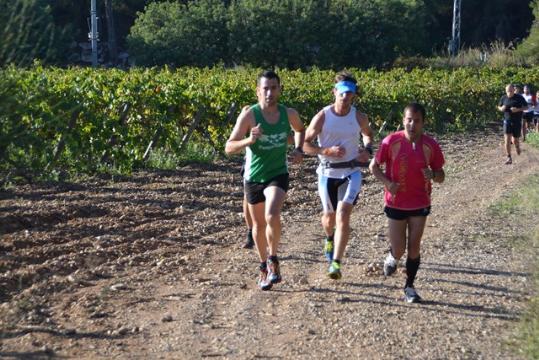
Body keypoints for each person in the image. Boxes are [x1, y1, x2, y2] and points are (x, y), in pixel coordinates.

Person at [225, 70, 305, 290]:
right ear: (258, 91)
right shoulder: (250, 115)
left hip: (278, 173)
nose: (270, 92)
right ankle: (263, 266)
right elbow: (229, 147)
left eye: (274, 88)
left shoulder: (288, 113)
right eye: (265, 88)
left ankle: (273, 258)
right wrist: (249, 140)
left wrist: (298, 149)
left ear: (280, 90)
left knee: (272, 214)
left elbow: (300, 129)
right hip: (253, 177)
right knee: (258, 226)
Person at [369, 103, 445, 303]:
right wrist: (387, 183)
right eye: (409, 120)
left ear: (423, 122)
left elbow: (441, 176)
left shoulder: (431, 145)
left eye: (417, 121)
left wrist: (433, 174)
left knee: (414, 247)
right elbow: (373, 167)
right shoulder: (390, 141)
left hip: (420, 202)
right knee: (400, 248)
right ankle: (393, 256)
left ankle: (409, 287)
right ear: (403, 120)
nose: (412, 124)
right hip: (396, 203)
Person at [303, 71, 374, 280]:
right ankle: (329, 237)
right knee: (329, 218)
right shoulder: (323, 116)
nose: (345, 97)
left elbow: (368, 135)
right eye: (342, 93)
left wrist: (367, 150)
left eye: (349, 94)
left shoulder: (359, 117)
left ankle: (336, 262)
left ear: (354, 95)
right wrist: (325, 151)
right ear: (334, 92)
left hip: (351, 172)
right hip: (327, 173)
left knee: (343, 215)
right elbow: (305, 145)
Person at [497, 84, 528, 164]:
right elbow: (499, 107)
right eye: (507, 91)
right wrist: (501, 108)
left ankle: (517, 147)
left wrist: (517, 109)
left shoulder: (519, 97)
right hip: (507, 121)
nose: (509, 92)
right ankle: (509, 157)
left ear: (514, 90)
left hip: (517, 122)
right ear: (505, 91)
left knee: (515, 141)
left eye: (511, 91)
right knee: (507, 140)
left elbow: (526, 107)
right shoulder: (503, 98)